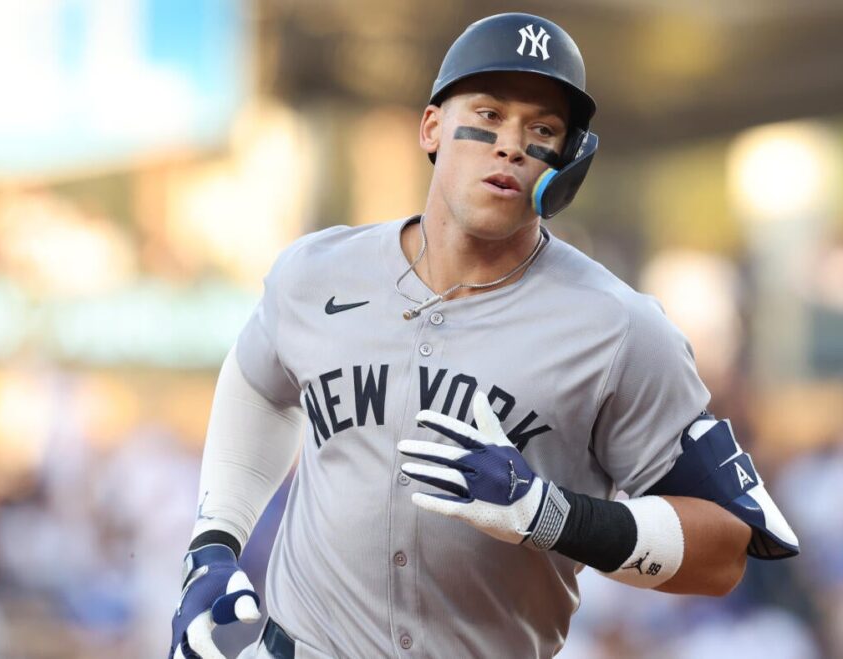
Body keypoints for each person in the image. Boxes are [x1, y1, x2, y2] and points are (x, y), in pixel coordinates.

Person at [169, 12, 800, 659]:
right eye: (489, 114)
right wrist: (213, 544)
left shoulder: (619, 327)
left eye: (543, 129)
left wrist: (552, 516)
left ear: (568, 161)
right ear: (432, 126)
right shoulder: (315, 271)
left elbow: (723, 550)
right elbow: (258, 384)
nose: (511, 145)